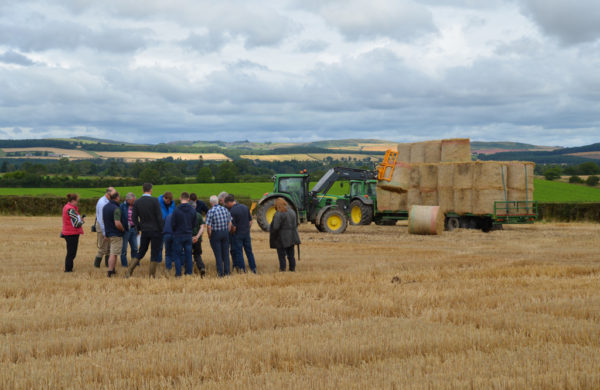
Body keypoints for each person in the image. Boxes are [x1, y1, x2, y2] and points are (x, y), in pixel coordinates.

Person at [127, 183, 164, 278]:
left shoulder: (137, 202)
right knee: (154, 252)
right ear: (151, 190)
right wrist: (162, 229)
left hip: (145, 231)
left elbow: (134, 218)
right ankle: (151, 275)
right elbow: (159, 217)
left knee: (141, 251)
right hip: (156, 230)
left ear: (143, 190)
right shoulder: (155, 200)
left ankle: (129, 270)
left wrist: (139, 227)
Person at [224, 194, 257, 274]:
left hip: (237, 234)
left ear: (229, 203)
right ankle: (253, 269)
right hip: (246, 233)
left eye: (226, 204)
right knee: (249, 252)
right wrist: (247, 229)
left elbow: (233, 227)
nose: (226, 206)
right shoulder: (245, 207)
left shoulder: (232, 211)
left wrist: (231, 232)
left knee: (239, 252)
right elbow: (250, 221)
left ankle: (242, 270)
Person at [270, 198, 301, 272]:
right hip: (292, 236)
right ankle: (292, 269)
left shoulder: (278, 213)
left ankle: (282, 269)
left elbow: (276, 227)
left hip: (281, 237)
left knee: (281, 255)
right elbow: (296, 224)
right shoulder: (292, 212)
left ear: (277, 205)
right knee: (291, 255)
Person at [171, 192, 197, 276]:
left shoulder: (176, 210)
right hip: (188, 234)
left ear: (180, 198)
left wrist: (175, 231)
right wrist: (190, 230)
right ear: (188, 199)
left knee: (177, 255)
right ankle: (189, 272)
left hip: (178, 234)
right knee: (188, 255)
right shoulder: (193, 210)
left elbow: (173, 224)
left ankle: (178, 273)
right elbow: (194, 223)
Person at [205, 195, 232, 277]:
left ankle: (220, 273)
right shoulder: (225, 209)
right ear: (218, 201)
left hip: (216, 234)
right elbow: (230, 222)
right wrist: (227, 231)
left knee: (218, 254)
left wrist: (209, 235)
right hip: (225, 233)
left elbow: (209, 226)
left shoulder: (211, 211)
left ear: (210, 203)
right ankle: (227, 272)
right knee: (226, 254)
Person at [103, 191, 125, 277]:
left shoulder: (105, 207)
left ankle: (112, 269)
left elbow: (104, 221)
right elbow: (117, 223)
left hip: (108, 233)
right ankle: (110, 271)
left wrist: (106, 233)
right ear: (117, 198)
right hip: (115, 234)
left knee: (113, 253)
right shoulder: (116, 208)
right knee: (113, 253)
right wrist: (122, 229)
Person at [61, 193, 85, 272]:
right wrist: (82, 221)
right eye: (77, 201)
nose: (77, 202)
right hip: (72, 233)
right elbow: (76, 224)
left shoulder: (66, 207)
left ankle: (69, 268)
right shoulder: (71, 209)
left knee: (70, 252)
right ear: (73, 201)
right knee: (72, 253)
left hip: (68, 232)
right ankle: (68, 269)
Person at [93, 187, 115, 268]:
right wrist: (105, 232)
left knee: (109, 248)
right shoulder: (102, 202)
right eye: (114, 194)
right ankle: (96, 265)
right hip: (103, 227)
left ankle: (107, 265)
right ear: (109, 194)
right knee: (103, 247)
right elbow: (101, 219)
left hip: (107, 226)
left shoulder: (107, 201)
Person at [119, 192, 138, 267]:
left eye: (134, 200)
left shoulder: (135, 206)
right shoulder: (122, 206)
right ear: (127, 200)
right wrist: (122, 228)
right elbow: (119, 218)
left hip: (134, 229)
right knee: (124, 249)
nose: (134, 202)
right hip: (125, 230)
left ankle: (134, 263)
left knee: (135, 248)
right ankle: (124, 264)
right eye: (133, 200)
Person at [190, 193, 206, 277]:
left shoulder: (186, 215)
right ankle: (201, 268)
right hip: (197, 239)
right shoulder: (199, 215)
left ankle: (189, 271)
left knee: (188, 254)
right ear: (195, 207)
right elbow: (202, 227)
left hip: (188, 238)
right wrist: (197, 236)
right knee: (197, 255)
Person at [158, 192, 175, 264]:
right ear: (164, 198)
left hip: (169, 228)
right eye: (167, 200)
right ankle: (158, 261)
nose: (168, 202)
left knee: (171, 246)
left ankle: (171, 261)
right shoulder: (158, 203)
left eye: (170, 201)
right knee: (159, 247)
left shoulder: (172, 204)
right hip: (160, 228)